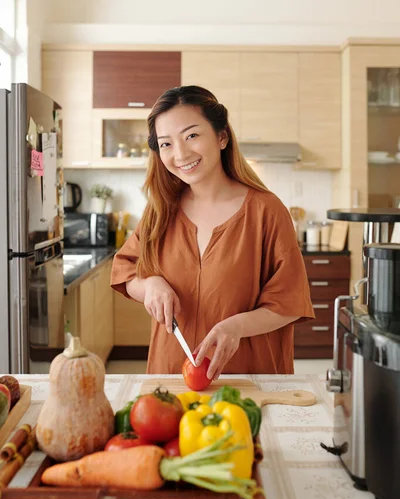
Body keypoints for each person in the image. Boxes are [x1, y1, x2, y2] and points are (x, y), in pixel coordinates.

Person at [111, 85, 314, 379]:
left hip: (246, 378)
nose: (180, 153)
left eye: (191, 135)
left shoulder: (266, 211)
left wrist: (236, 327)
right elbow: (125, 272)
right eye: (166, 143)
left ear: (222, 137)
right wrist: (151, 284)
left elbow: (290, 303)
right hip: (171, 377)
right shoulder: (160, 211)